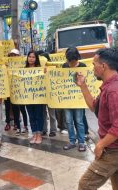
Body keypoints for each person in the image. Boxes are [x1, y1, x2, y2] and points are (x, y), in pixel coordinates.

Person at [76, 48, 118, 190]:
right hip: (113, 149)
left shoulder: (113, 90)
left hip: (112, 151)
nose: (93, 68)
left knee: (85, 185)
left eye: (94, 64)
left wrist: (101, 144)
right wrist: (83, 86)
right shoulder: (108, 87)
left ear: (104, 66)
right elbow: (95, 107)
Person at [62, 47, 86, 152]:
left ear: (77, 58)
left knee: (79, 121)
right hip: (67, 99)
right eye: (69, 61)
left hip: (79, 99)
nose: (71, 64)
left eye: (73, 61)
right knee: (68, 121)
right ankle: (72, 141)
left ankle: (81, 142)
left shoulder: (83, 66)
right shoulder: (64, 66)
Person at [25, 50, 45, 144]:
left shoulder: (40, 69)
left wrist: (45, 71)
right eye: (30, 56)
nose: (31, 58)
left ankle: (39, 134)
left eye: (33, 57)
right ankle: (34, 134)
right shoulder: (23, 70)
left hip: (38, 97)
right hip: (27, 97)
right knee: (31, 116)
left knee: (39, 116)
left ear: (36, 59)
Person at [8, 49, 28, 135]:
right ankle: (18, 127)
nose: (13, 56)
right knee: (15, 110)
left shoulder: (23, 64)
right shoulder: (7, 64)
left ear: (18, 56)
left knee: (23, 109)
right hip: (13, 90)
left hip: (22, 90)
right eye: (11, 55)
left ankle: (25, 126)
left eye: (15, 55)